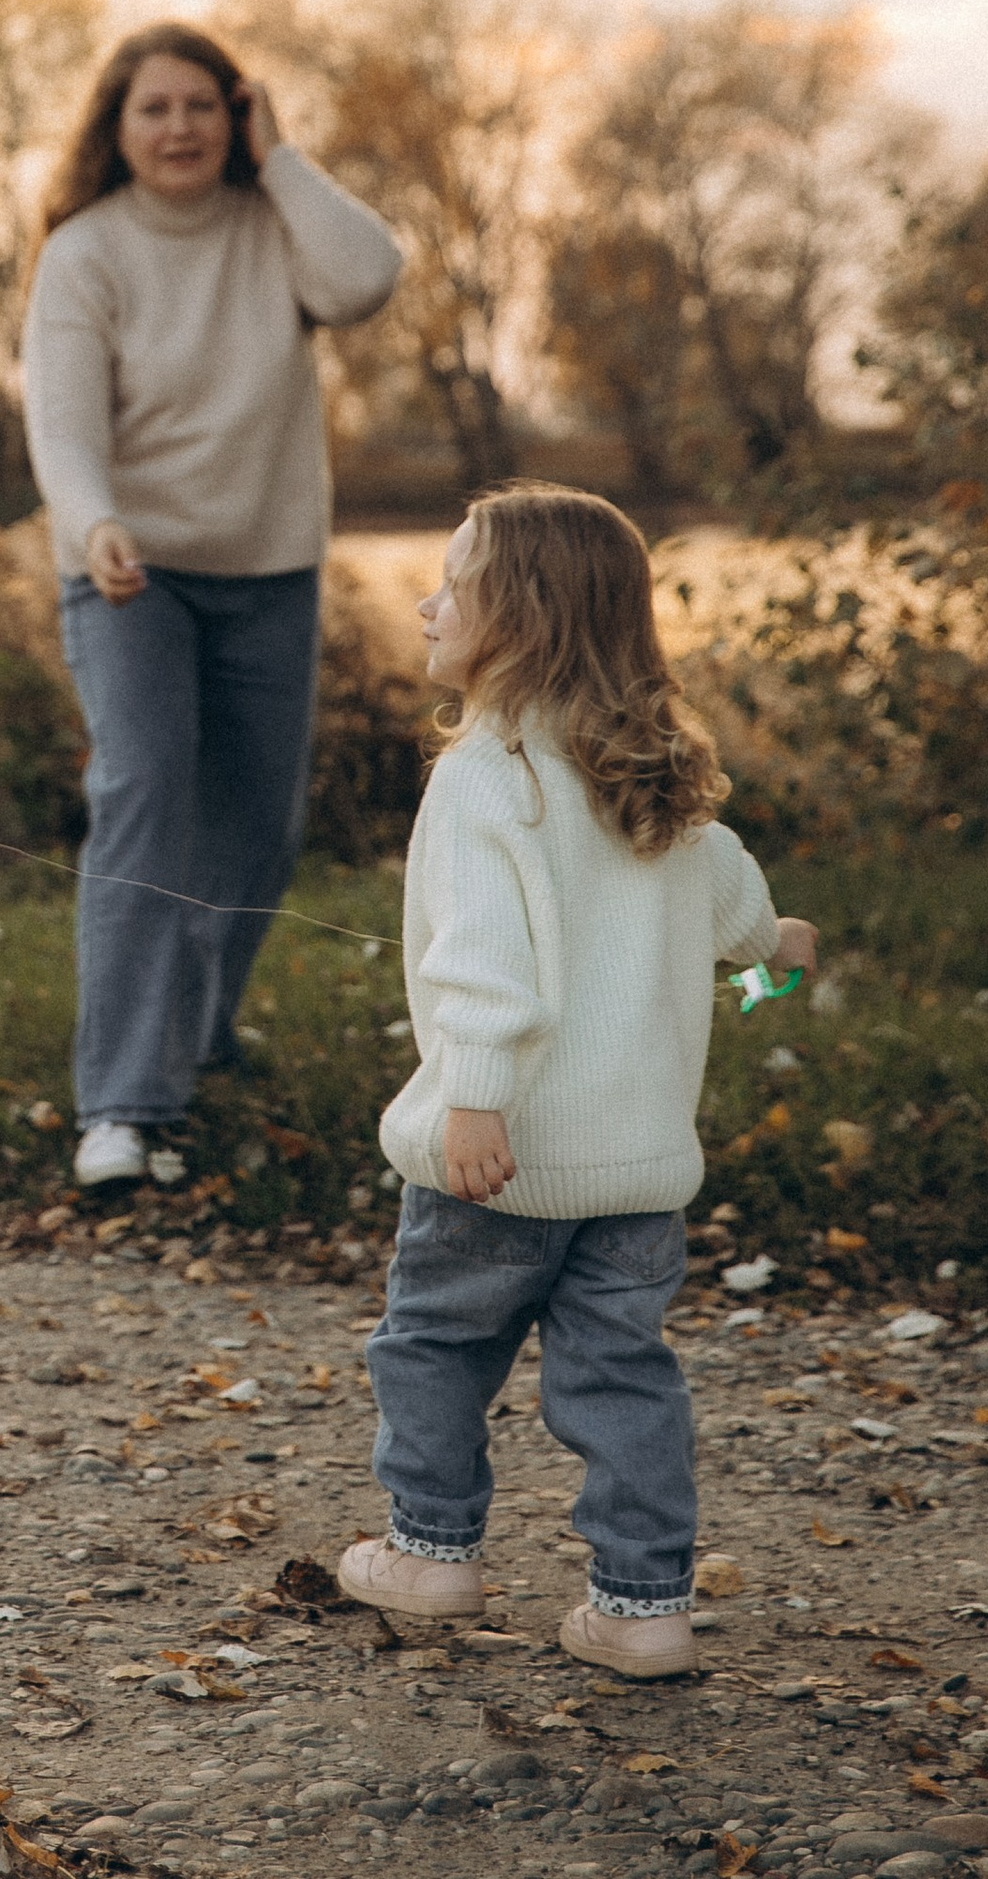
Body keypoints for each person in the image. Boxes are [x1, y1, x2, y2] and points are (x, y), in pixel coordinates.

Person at [338, 485, 819, 1682]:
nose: (426, 600)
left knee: (435, 1351)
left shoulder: (487, 778)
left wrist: (476, 1097)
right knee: (620, 1379)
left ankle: (431, 1549)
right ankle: (642, 1605)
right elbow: (747, 931)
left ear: (527, 618)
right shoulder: (655, 787)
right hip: (637, 1175)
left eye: (453, 581)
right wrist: (781, 965)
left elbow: (484, 964)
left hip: (496, 1161)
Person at [21, 20, 401, 1192]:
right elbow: (64, 430)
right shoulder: (85, 253)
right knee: (140, 799)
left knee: (254, 830)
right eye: (153, 108)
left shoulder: (273, 230)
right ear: (116, 128)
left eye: (203, 105)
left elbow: (366, 277)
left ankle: (194, 1028)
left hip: (267, 570)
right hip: (130, 571)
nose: (178, 128)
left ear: (235, 117)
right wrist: (94, 525)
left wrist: (280, 159)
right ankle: (123, 1108)